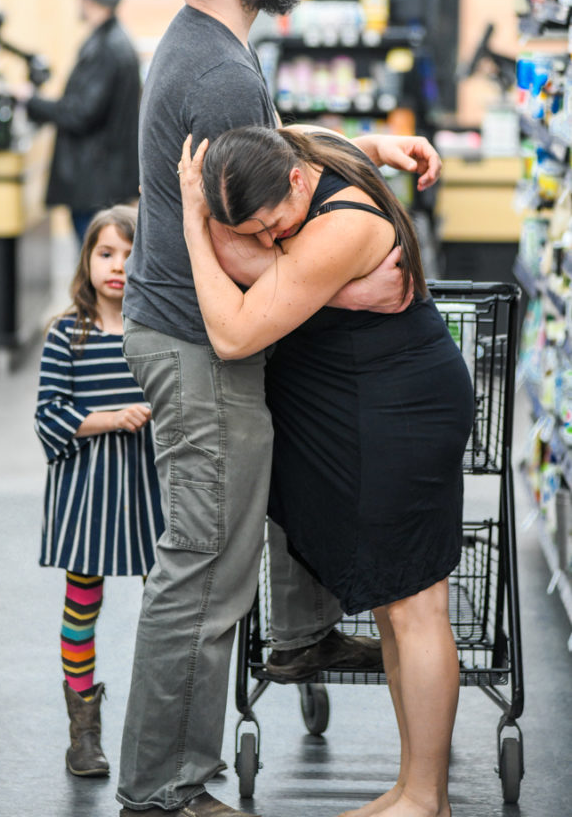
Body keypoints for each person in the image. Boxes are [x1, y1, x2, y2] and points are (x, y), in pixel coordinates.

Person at [117, 0, 444, 817]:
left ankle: (298, 639)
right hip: (195, 344)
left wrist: (358, 148)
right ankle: (166, 789)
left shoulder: (208, 49)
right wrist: (340, 282)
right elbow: (236, 237)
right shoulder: (218, 68)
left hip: (180, 334)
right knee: (205, 575)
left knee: (227, 544)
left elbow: (256, 147)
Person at [177, 125, 474, 817]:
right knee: (394, 605)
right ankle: (408, 788)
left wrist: (196, 223)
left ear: (298, 183)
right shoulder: (306, 152)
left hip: (398, 409)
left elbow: (233, 332)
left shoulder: (341, 227)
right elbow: (320, 136)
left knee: (416, 605)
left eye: (272, 225)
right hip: (366, 406)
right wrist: (390, 144)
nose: (267, 238)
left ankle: (426, 799)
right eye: (248, 230)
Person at [34, 205, 164, 778]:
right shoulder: (68, 333)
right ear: (86, 260)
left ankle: (162, 728)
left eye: (132, 256)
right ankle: (83, 734)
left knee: (165, 605)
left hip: (148, 489)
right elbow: (48, 415)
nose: (119, 267)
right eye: (106, 254)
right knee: (82, 602)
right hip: (89, 491)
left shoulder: (156, 332)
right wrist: (111, 417)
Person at [15, 0, 141, 245]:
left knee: (97, 263)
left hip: (95, 185)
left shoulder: (107, 49)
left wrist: (30, 101)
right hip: (105, 181)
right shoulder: (113, 41)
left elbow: (81, 113)